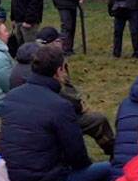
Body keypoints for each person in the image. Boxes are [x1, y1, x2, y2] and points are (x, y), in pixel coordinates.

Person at [1, 46, 113, 181]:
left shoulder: (11, 97)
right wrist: (82, 171)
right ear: (59, 71)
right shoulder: (60, 106)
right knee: (109, 172)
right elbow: (78, 156)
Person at [34, 28, 115, 156]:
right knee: (98, 120)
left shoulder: (34, 60)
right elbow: (67, 97)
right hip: (56, 117)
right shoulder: (52, 63)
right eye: (58, 41)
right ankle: (115, 152)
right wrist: (80, 106)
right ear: (54, 43)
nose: (61, 43)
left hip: (37, 115)